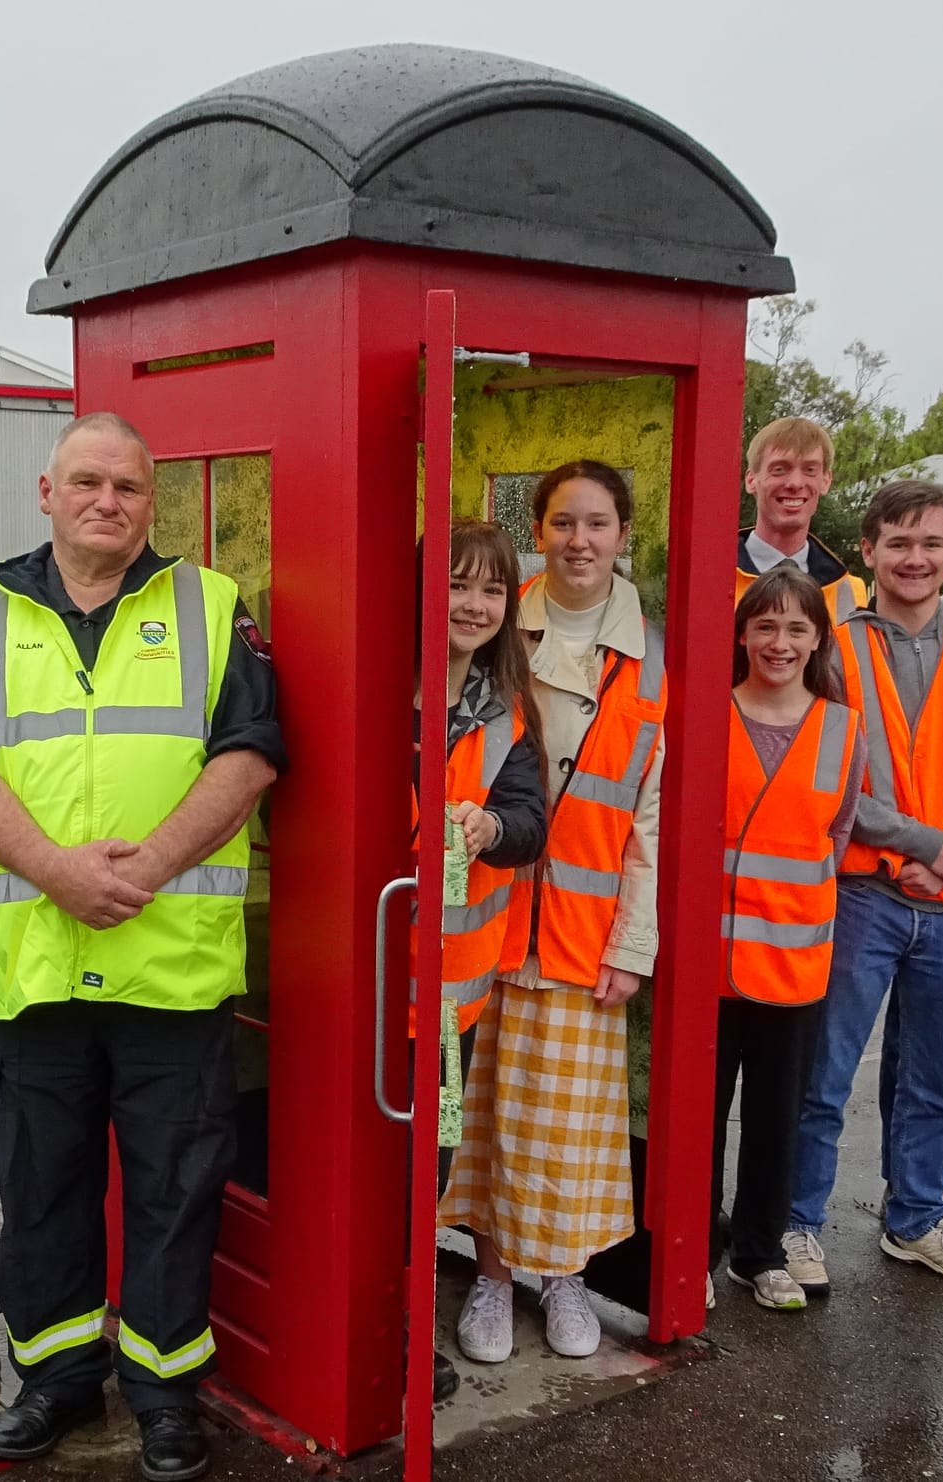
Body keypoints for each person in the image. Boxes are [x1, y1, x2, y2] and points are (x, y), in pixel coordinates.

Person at [0, 412, 284, 1482]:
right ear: (45, 490)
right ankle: (55, 1380)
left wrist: (150, 865)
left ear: (150, 503)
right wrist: (58, 871)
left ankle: (163, 1391)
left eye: (127, 487)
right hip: (35, 967)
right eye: (87, 482)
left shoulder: (211, 607)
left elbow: (252, 754)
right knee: (42, 1185)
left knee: (177, 1190)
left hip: (168, 966)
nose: (106, 503)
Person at [784, 479, 943, 1294]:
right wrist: (926, 844)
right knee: (824, 1074)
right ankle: (799, 1224)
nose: (915, 558)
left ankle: (916, 1221)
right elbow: (823, 780)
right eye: (898, 542)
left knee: (937, 1079)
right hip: (863, 897)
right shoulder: (833, 648)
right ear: (869, 552)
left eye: (930, 543)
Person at [443, 459, 663, 1364]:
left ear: (623, 533)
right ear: (538, 528)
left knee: (568, 1125)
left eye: (598, 523)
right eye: (564, 522)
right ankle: (492, 1278)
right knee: (485, 1118)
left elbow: (650, 809)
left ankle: (563, 1276)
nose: (580, 539)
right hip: (483, 920)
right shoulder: (496, 621)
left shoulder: (651, 654)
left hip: (579, 925)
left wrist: (635, 940)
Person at [411, 520, 550, 1398]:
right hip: (366, 986)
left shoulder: (509, 711)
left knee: (429, 1169)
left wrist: (491, 827)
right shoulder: (381, 685)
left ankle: (404, 1326)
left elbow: (532, 826)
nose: (473, 603)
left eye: (492, 590)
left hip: (450, 1005)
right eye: (458, 584)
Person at [714, 567, 865, 1311]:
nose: (779, 642)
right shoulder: (705, 714)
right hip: (708, 961)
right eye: (765, 625)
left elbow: (835, 835)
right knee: (699, 1119)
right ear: (742, 633)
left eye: (796, 628)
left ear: (817, 639)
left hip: (795, 964)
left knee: (778, 1116)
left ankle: (759, 1252)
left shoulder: (842, 725)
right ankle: (692, 1254)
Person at [735, 417, 869, 618]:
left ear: (826, 481)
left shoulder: (850, 593)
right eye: (780, 469)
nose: (795, 483)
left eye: (809, 470)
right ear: (751, 479)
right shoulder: (712, 578)